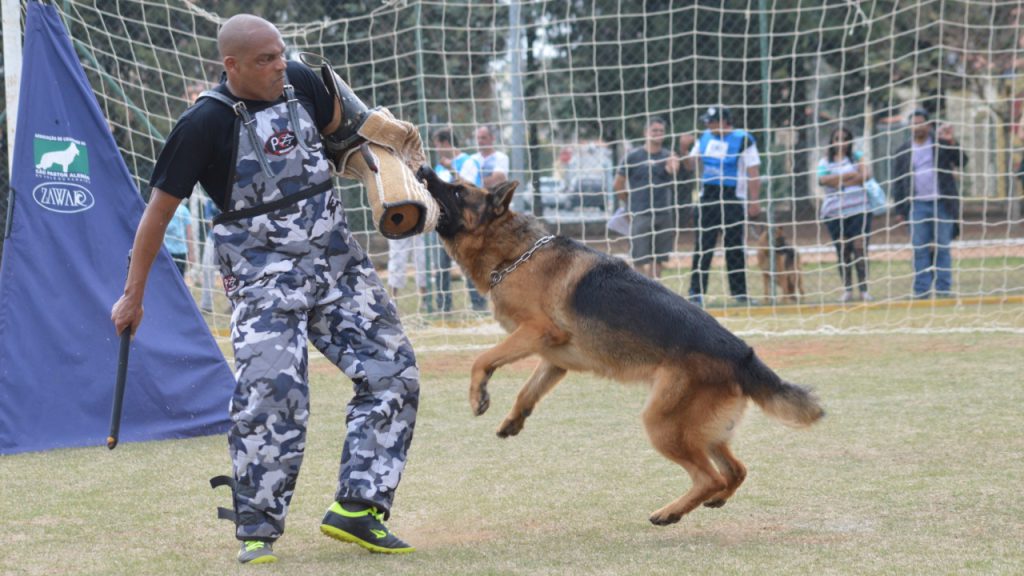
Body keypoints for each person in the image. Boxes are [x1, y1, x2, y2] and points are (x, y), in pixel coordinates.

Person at [110, 14, 420, 564]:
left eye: (280, 54)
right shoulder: (202, 124)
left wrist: (386, 170)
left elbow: (348, 137)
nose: (280, 66)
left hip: (337, 265)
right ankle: (258, 527)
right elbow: (156, 216)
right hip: (263, 279)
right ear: (232, 66)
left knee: (393, 372)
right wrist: (133, 295)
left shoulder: (302, 80)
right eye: (265, 60)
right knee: (274, 392)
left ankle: (360, 506)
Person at [685, 106, 762, 306]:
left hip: (732, 198)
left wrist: (754, 200)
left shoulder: (744, 139)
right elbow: (690, 164)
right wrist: (685, 149)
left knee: (735, 247)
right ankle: (696, 292)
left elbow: (754, 172)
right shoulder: (704, 137)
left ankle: (740, 293)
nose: (708, 125)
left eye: (711, 121)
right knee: (703, 246)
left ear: (724, 121)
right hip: (708, 198)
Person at [891, 109, 968, 299]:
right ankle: (921, 291)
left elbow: (962, 161)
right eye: (914, 123)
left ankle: (943, 289)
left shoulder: (940, 145)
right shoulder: (902, 151)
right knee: (919, 248)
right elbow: (898, 181)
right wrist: (900, 209)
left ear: (928, 125)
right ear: (910, 126)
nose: (918, 126)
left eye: (921, 122)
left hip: (942, 203)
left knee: (943, 246)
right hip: (917, 205)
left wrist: (951, 141)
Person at [613, 117, 680, 279]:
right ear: (646, 133)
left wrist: (672, 167)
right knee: (639, 258)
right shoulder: (633, 157)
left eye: (661, 131)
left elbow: (674, 171)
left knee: (659, 258)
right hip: (640, 213)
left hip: (664, 213)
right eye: (654, 130)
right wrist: (629, 204)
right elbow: (618, 184)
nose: (658, 133)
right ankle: (641, 292)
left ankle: (655, 292)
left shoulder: (668, 155)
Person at [429, 127, 487, 312]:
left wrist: (451, 169)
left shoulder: (467, 161)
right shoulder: (439, 167)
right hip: (444, 223)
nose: (436, 149)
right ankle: (443, 307)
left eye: (437, 145)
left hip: (464, 224)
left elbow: (468, 188)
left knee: (468, 263)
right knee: (441, 265)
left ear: (446, 143)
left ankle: (478, 305)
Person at [818, 126, 874, 303]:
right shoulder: (825, 162)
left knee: (859, 248)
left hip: (859, 209)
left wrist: (839, 180)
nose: (841, 142)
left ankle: (864, 290)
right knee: (843, 249)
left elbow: (865, 175)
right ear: (832, 141)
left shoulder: (857, 157)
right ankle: (847, 289)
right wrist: (851, 175)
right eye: (837, 139)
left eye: (845, 138)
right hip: (835, 212)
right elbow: (823, 180)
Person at [387, 234, 429, 311]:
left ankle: (425, 299)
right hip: (398, 226)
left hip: (419, 226)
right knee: (397, 263)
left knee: (423, 261)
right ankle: (393, 300)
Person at [163, 200, 194, 277]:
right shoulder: (184, 210)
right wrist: (191, 254)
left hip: (169, 252)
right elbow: (189, 234)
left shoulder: (164, 208)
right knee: (179, 280)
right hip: (179, 253)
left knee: (168, 279)